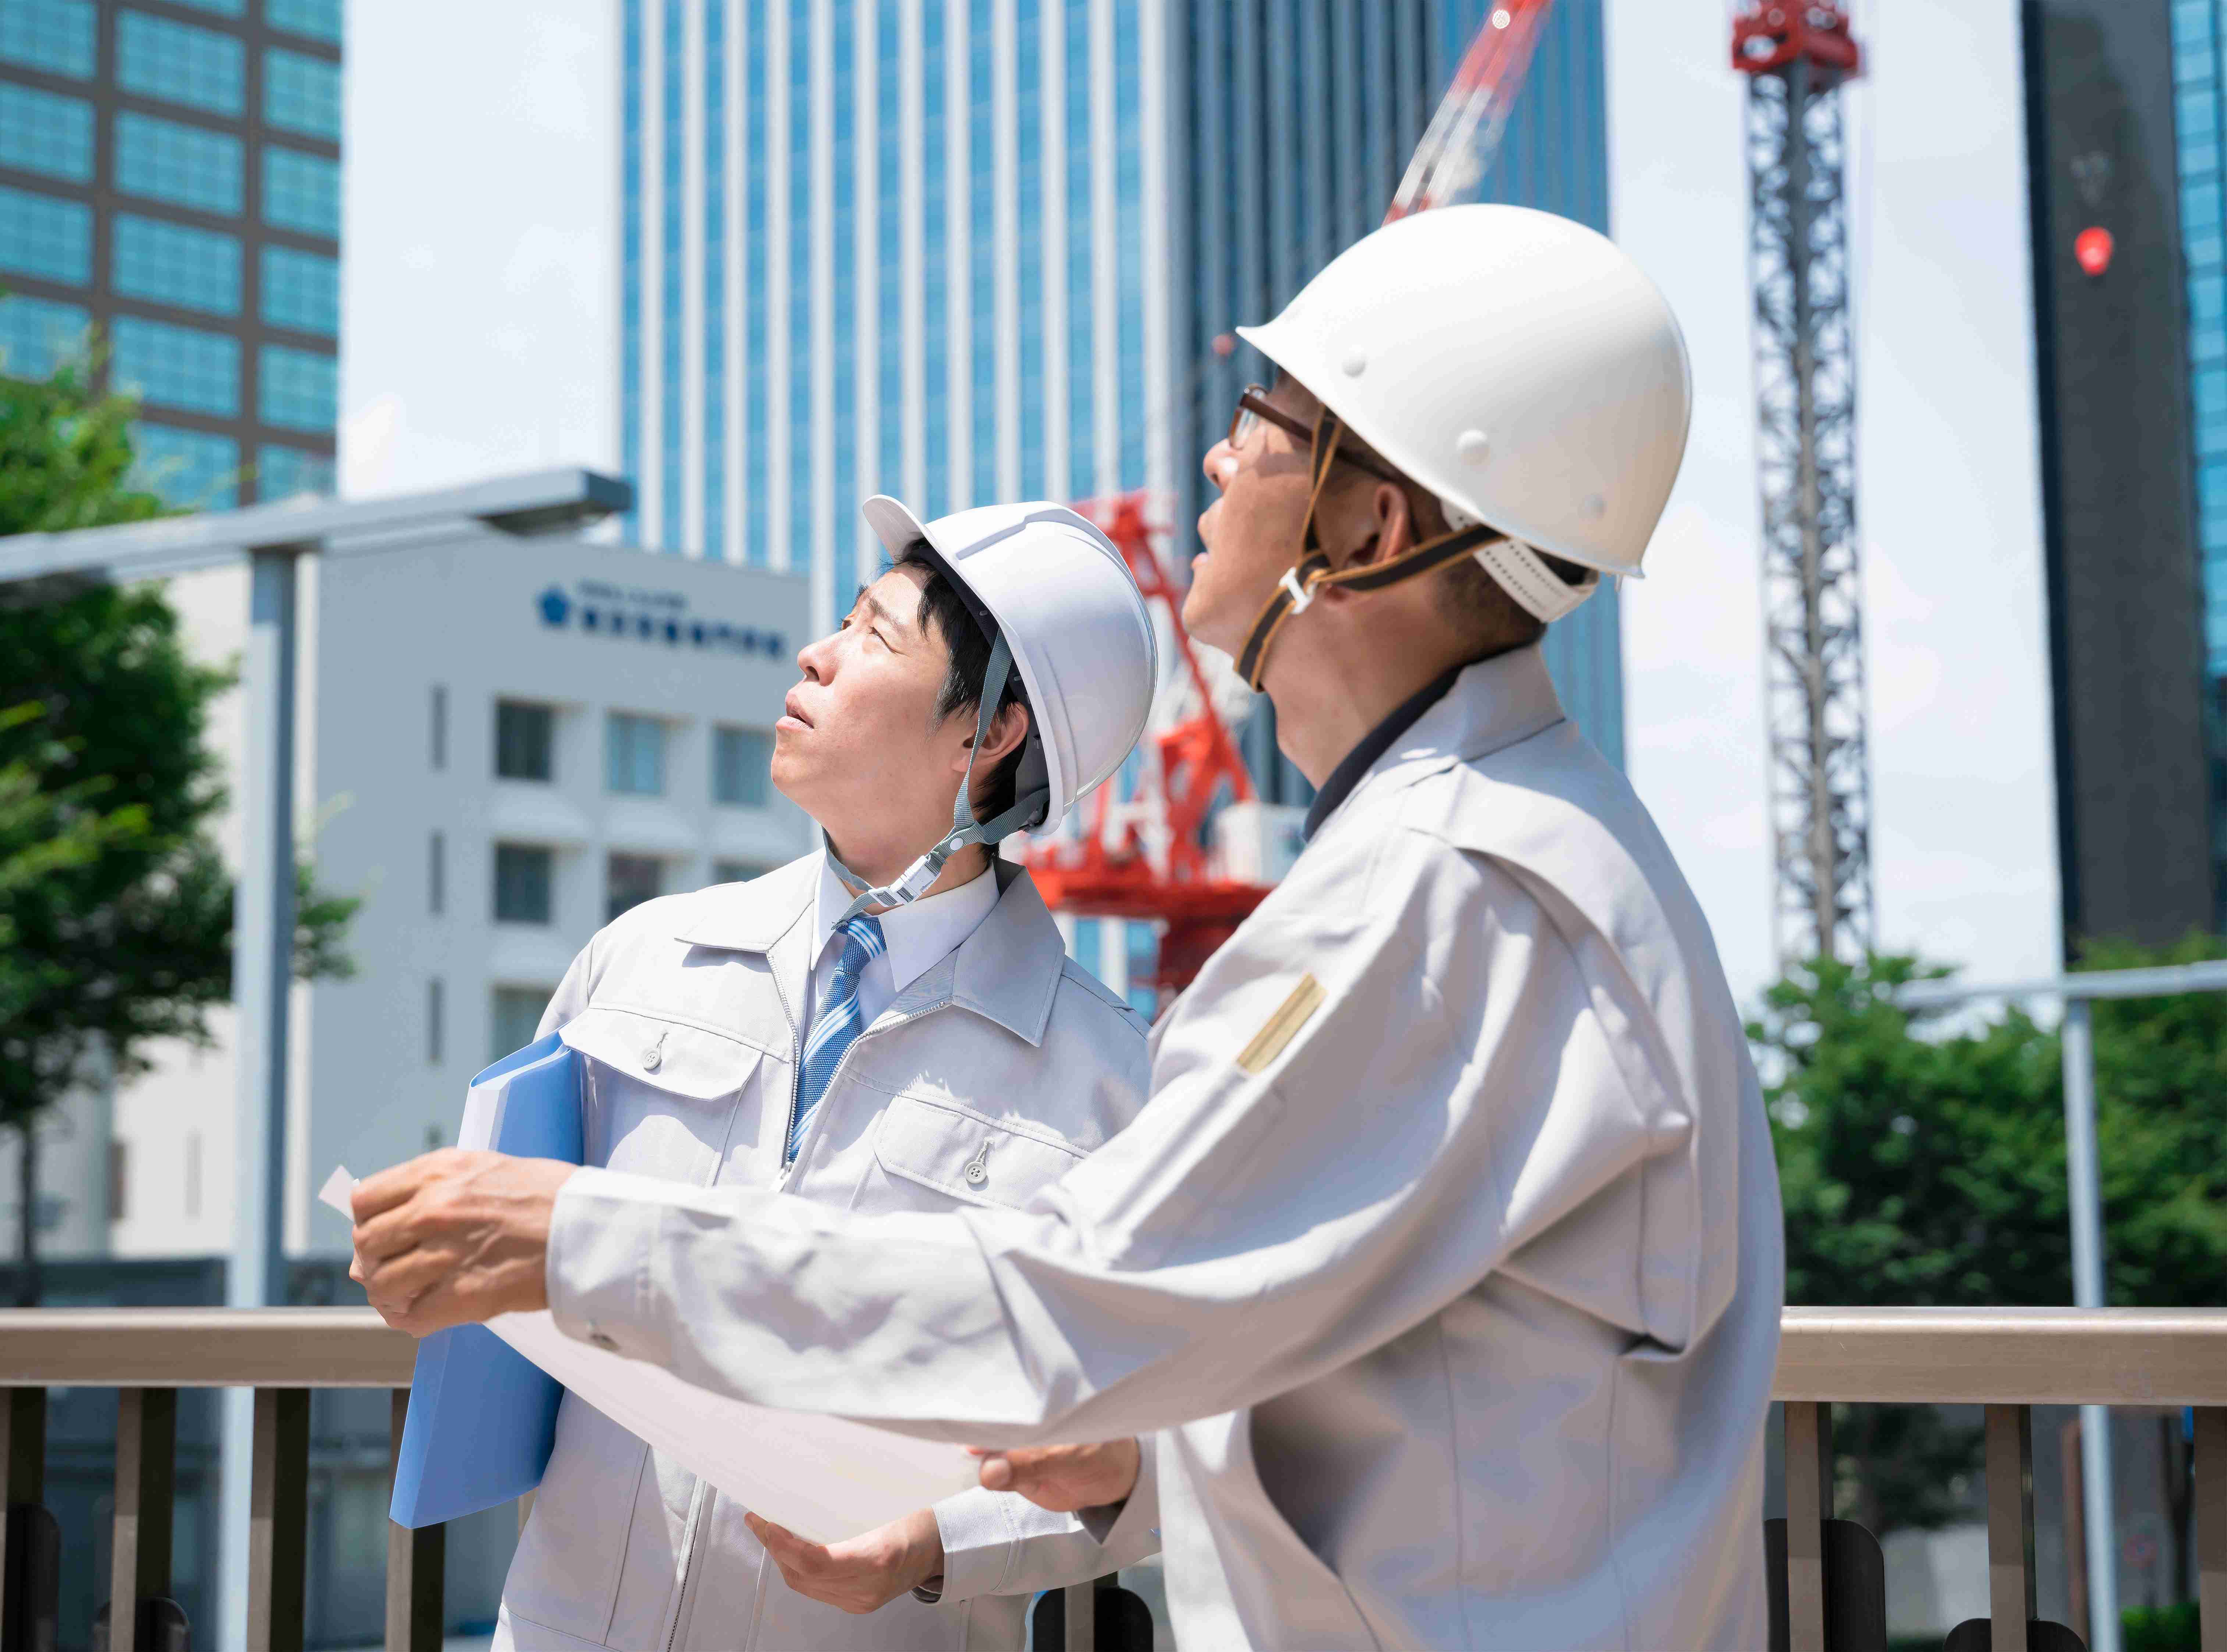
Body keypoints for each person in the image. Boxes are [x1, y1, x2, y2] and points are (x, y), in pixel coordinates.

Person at [353, 204, 1784, 1651]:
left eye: (1262, 418)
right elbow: (1322, 1360)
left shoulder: (1438, 897)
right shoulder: (1501, 856)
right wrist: (1132, 1457)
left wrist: (589, 1240)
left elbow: (1071, 1305)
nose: (1216, 461)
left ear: (1368, 527)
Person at [395, 499, 1164, 1652]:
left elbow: (1143, 1462)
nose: (816, 653)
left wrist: (938, 1544)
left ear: (991, 735)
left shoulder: (1111, 1085)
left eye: (873, 635)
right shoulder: (643, 956)